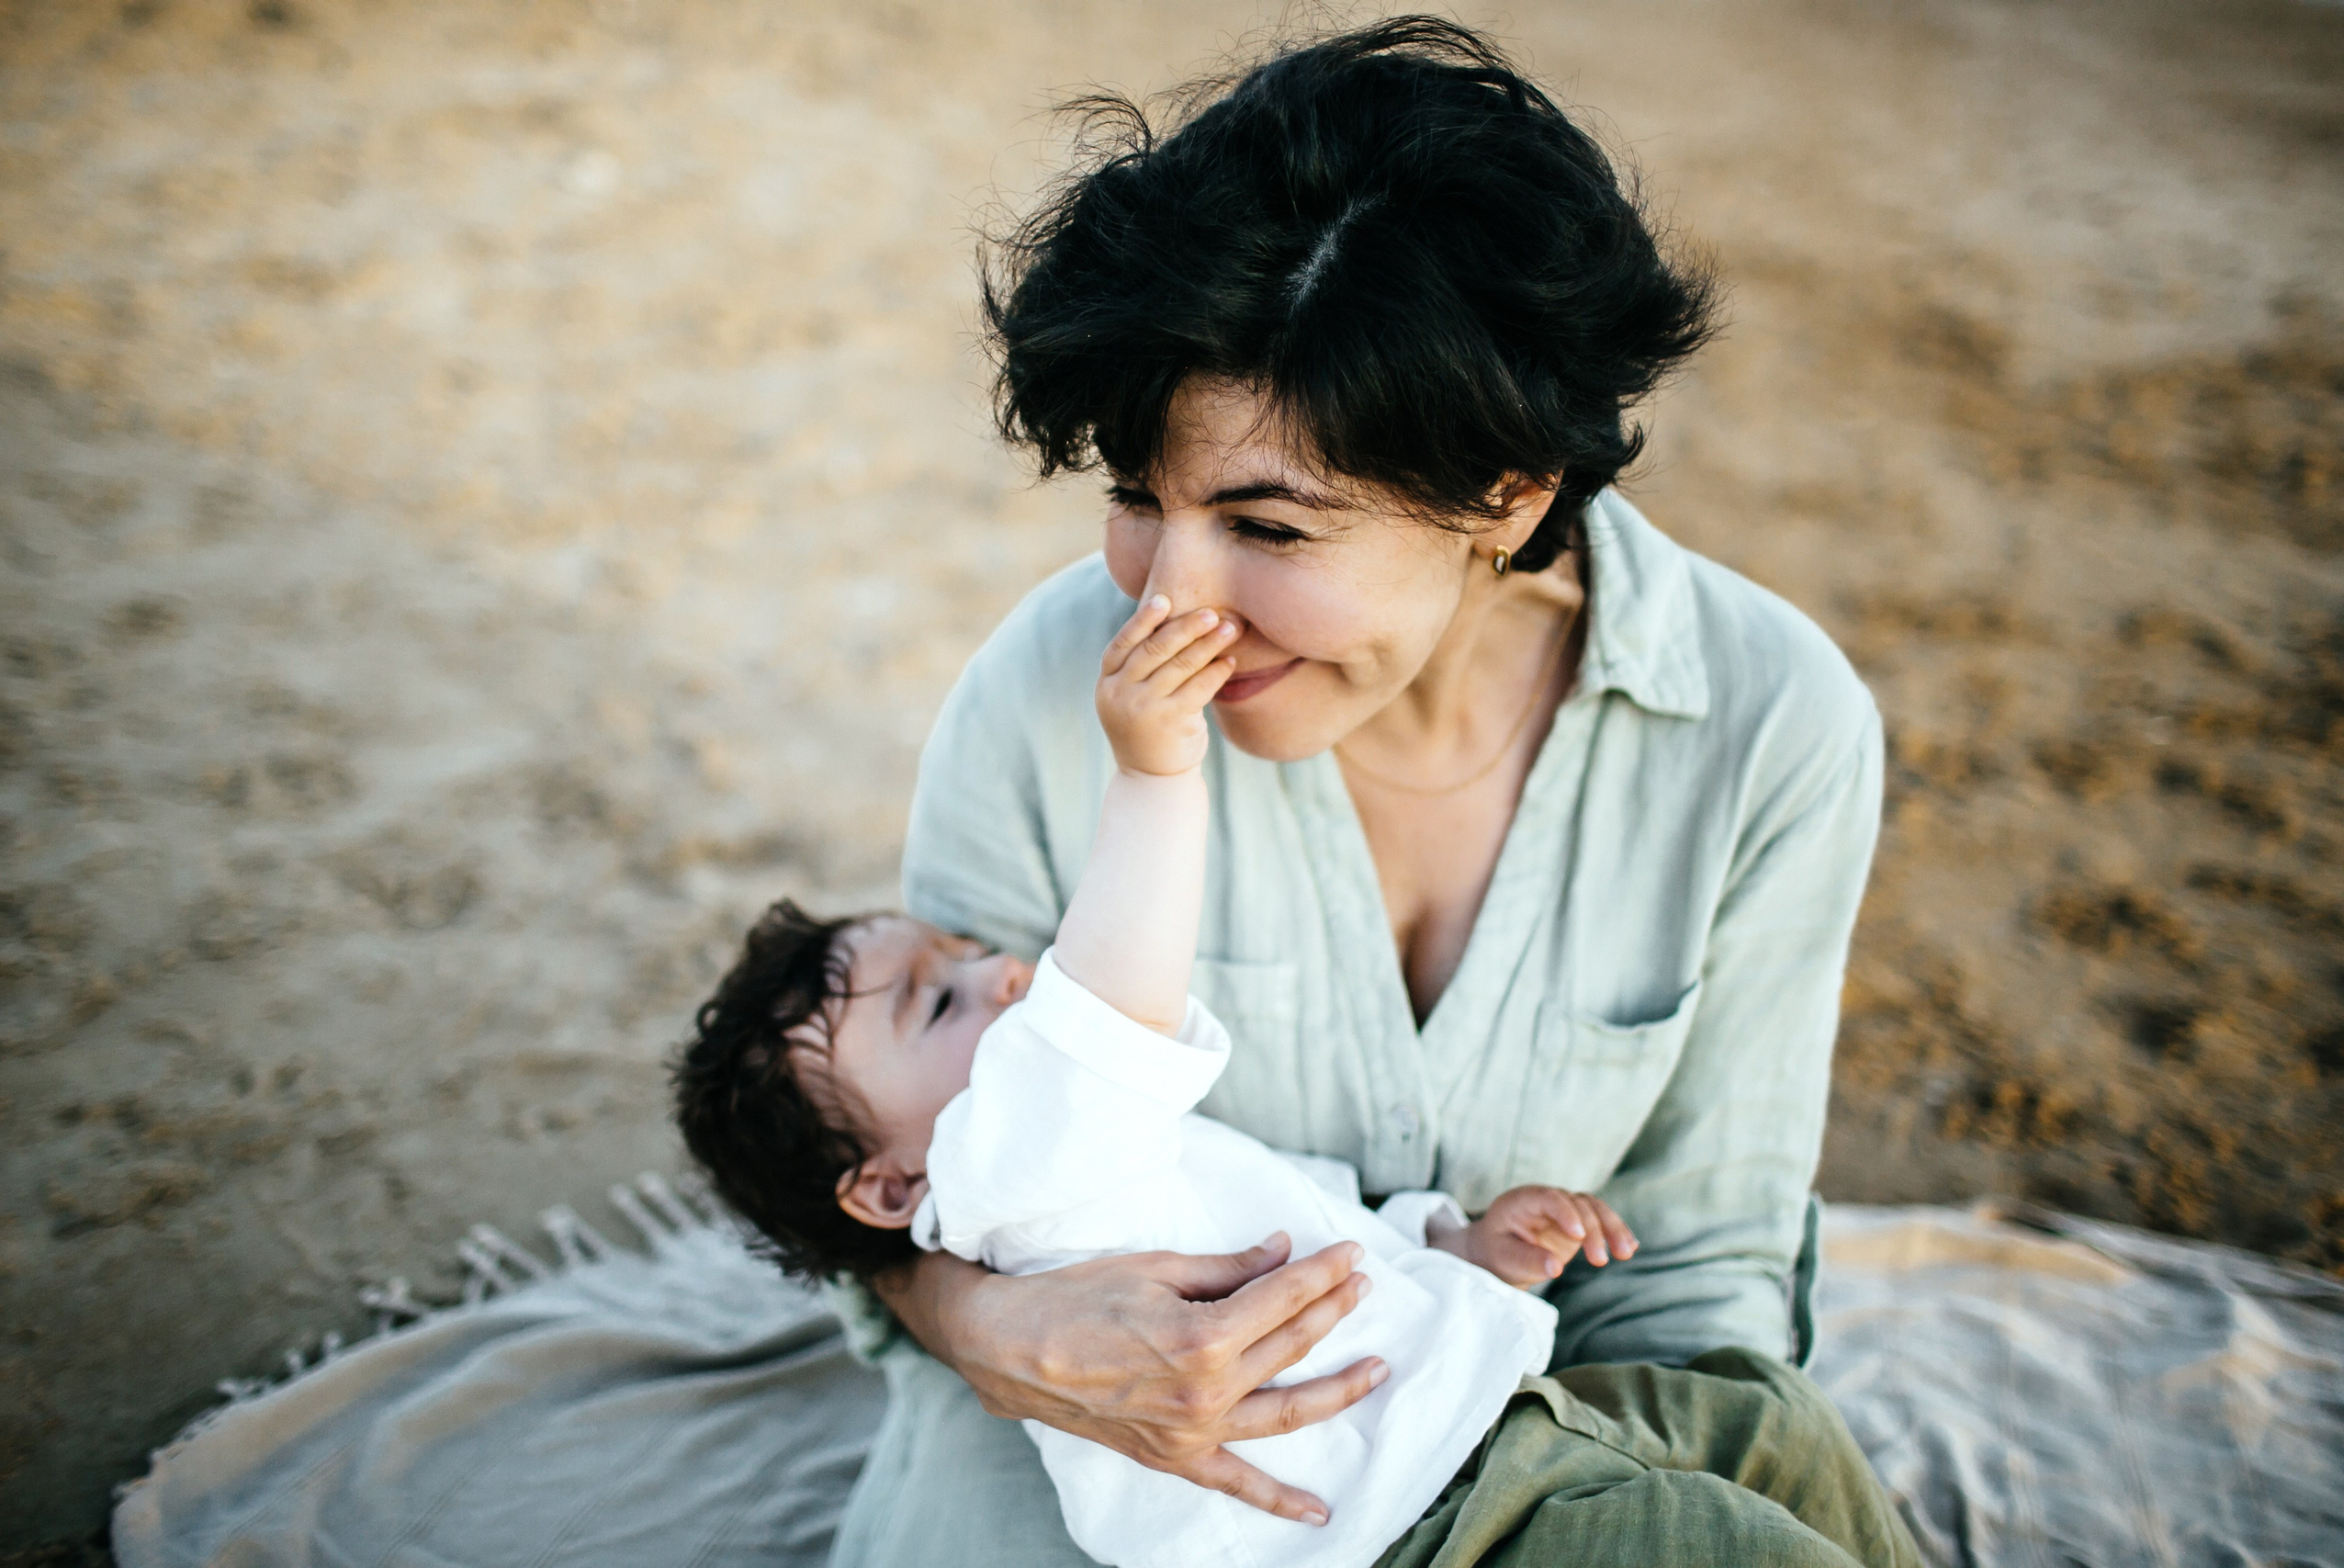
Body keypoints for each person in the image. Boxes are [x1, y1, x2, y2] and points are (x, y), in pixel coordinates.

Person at [817, 17, 1916, 1566]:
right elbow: (899, 1178)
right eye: (1140, 495)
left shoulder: (1769, 723)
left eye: (1267, 527)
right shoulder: (1042, 693)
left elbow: (1704, 1260)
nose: (1163, 607)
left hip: (1517, 1409)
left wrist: (1520, 1484)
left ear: (1509, 492)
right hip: (1089, 1443)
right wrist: (1020, 1334)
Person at [673, 593, 1645, 1567]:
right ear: (893, 1185)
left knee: (1770, 1443)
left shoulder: (1107, 1166)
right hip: (1407, 1516)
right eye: (937, 1003)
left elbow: (1314, 1233)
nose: (1005, 972)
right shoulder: (1013, 1175)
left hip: (1469, 1416)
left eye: (964, 952)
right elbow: (1114, 992)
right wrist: (1154, 775)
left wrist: (1461, 1243)